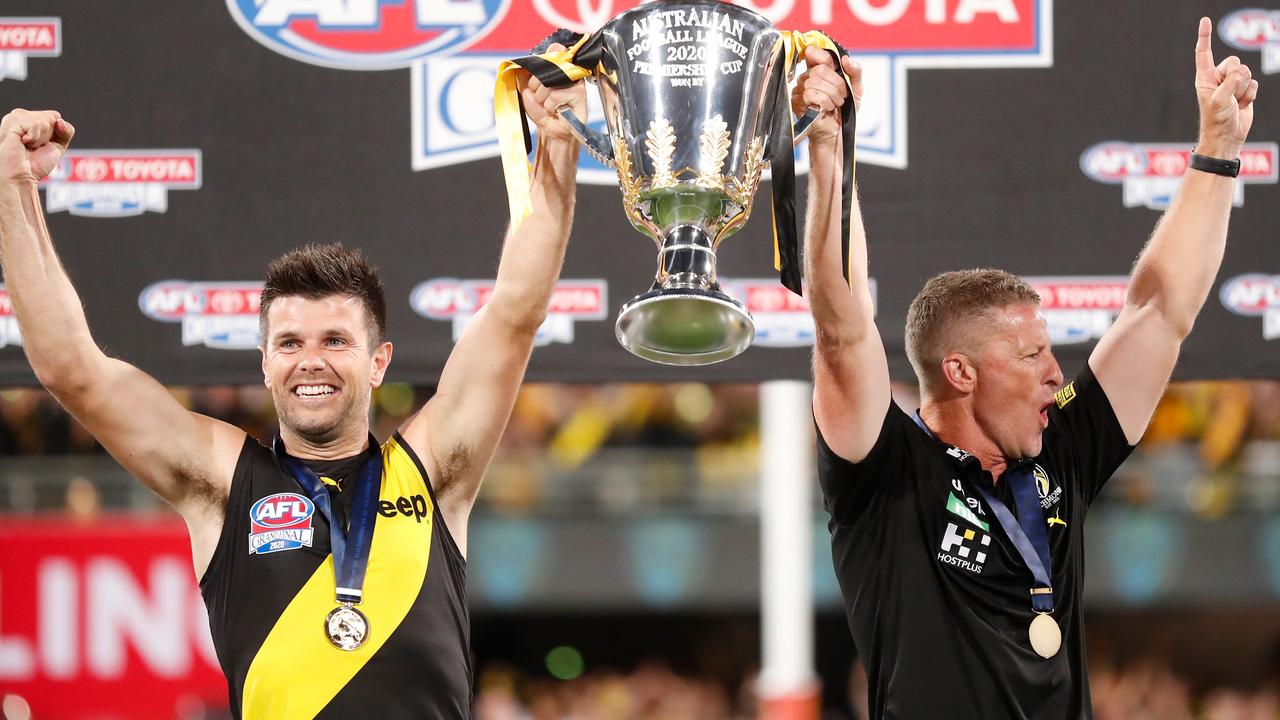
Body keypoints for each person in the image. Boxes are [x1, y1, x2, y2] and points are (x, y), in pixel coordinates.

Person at [0, 52, 586, 718]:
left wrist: (558, 143)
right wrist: (12, 186)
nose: (311, 361)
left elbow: (515, 311)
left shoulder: (432, 470)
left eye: (335, 341)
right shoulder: (221, 481)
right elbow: (70, 370)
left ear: (379, 362)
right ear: (264, 363)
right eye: (289, 343)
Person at [797, 18, 1258, 719]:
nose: (1055, 372)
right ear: (960, 371)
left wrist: (1219, 152)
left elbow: (1160, 311)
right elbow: (840, 328)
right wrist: (832, 146)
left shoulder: (1060, 457)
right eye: (1030, 354)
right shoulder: (883, 474)